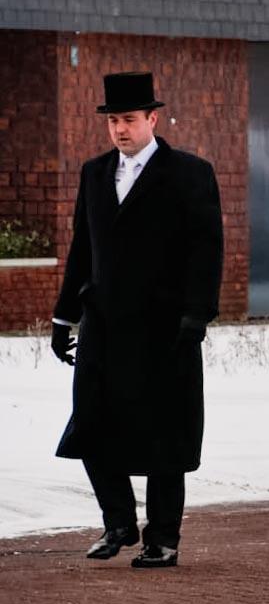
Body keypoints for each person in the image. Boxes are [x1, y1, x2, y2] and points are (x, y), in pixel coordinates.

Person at [50, 72, 223, 569]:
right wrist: (64, 318)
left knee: (166, 433)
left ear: (152, 118)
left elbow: (206, 251)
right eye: (112, 121)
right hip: (105, 323)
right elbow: (83, 250)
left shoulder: (190, 174)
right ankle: (119, 522)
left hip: (166, 327)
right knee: (91, 424)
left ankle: (163, 538)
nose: (120, 130)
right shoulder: (95, 173)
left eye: (128, 120)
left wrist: (196, 316)